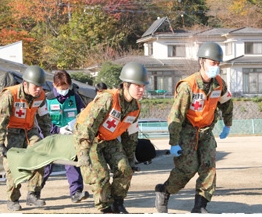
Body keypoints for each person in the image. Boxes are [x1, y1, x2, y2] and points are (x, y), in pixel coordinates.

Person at [155, 42, 233, 213]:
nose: (216, 66)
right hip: (187, 132)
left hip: (206, 131)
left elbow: (226, 103)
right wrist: (174, 142)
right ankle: (164, 191)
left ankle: (200, 206)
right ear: (202, 62)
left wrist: (227, 123)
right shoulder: (188, 86)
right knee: (187, 169)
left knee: (209, 167)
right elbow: (175, 116)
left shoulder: (219, 83)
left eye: (218, 63)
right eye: (213, 62)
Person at [73, 62, 149, 213]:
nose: (142, 90)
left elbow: (130, 136)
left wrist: (130, 158)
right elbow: (87, 127)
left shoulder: (135, 108)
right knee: (101, 176)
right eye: (138, 86)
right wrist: (83, 153)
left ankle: (118, 203)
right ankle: (105, 208)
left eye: (143, 86)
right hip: (91, 138)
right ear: (126, 85)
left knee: (125, 170)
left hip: (109, 139)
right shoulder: (108, 99)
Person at [0, 65, 52, 211]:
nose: (38, 89)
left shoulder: (41, 96)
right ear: (25, 84)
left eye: (40, 86)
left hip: (30, 131)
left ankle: (33, 193)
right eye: (35, 86)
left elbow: (44, 117)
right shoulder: (10, 95)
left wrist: (48, 138)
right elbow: (1, 120)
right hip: (11, 132)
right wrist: (0, 142)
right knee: (14, 165)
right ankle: (12, 199)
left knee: (40, 157)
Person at [41, 70, 89, 203]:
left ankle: (76, 192)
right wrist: (56, 129)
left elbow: (83, 114)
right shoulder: (47, 99)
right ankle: (34, 192)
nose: (65, 91)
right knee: (45, 166)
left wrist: (76, 123)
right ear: (54, 85)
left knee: (72, 163)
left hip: (69, 137)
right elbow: (41, 121)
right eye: (62, 88)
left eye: (67, 88)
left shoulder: (75, 97)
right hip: (51, 138)